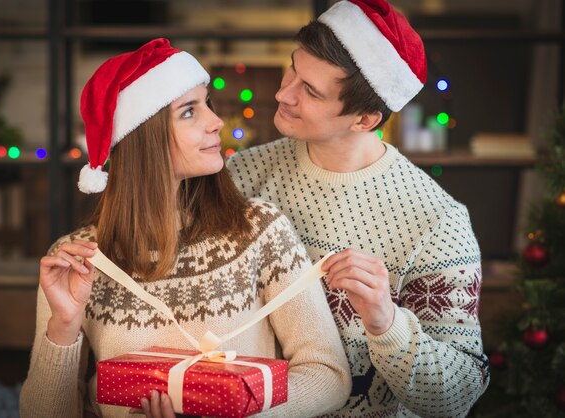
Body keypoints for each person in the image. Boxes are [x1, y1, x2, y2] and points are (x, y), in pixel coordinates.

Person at [19, 38, 351, 418]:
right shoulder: (78, 261)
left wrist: (236, 413)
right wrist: (62, 327)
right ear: (144, 138)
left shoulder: (260, 231)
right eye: (189, 112)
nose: (216, 122)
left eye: (206, 104)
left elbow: (328, 374)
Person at [226, 1, 490, 417]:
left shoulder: (437, 223)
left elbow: (458, 396)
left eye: (310, 91)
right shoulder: (241, 174)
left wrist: (386, 322)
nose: (283, 93)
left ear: (365, 120)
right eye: (292, 68)